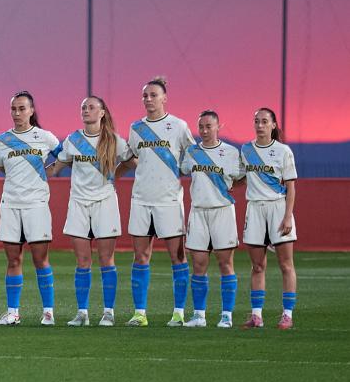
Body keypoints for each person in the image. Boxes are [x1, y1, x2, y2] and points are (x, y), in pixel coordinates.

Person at [56, 96, 133, 326]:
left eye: (91, 107)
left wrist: (114, 176)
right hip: (78, 203)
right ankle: (82, 313)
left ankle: (108, 312)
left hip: (105, 202)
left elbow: (131, 162)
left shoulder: (115, 141)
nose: (86, 110)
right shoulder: (73, 140)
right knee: (82, 260)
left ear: (102, 113)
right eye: (83, 107)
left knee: (106, 258)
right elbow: (57, 166)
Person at [126, 76, 196, 326]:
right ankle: (139, 314)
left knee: (177, 256)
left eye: (153, 95)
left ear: (165, 98)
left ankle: (178, 312)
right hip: (142, 200)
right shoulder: (136, 128)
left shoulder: (178, 126)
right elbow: (131, 157)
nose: (148, 99)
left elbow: (193, 157)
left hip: (169, 200)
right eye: (145, 95)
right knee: (141, 256)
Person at [0, 90, 62, 326]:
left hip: (36, 205)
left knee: (41, 259)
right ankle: (13, 313)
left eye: (22, 108)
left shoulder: (45, 137)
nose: (17, 113)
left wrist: (52, 170)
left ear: (31, 110)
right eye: (14, 109)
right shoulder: (2, 140)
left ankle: (48, 312)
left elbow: (65, 156)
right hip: (10, 205)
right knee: (13, 261)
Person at [181, 110, 245, 328]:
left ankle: (226, 315)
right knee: (198, 264)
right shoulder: (191, 153)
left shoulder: (230, 152)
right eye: (201, 127)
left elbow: (241, 178)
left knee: (225, 263)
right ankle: (199, 315)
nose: (205, 131)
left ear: (219, 127)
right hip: (198, 212)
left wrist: (226, 190)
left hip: (222, 211)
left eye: (209, 126)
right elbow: (183, 171)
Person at [240, 107, 298, 329]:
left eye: (265, 121)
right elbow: (240, 178)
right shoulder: (246, 149)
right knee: (257, 266)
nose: (260, 125)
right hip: (254, 209)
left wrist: (287, 216)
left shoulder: (283, 151)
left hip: (277, 208)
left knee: (286, 265)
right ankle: (257, 316)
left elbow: (291, 187)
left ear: (273, 125)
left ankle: (287, 315)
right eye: (257, 121)